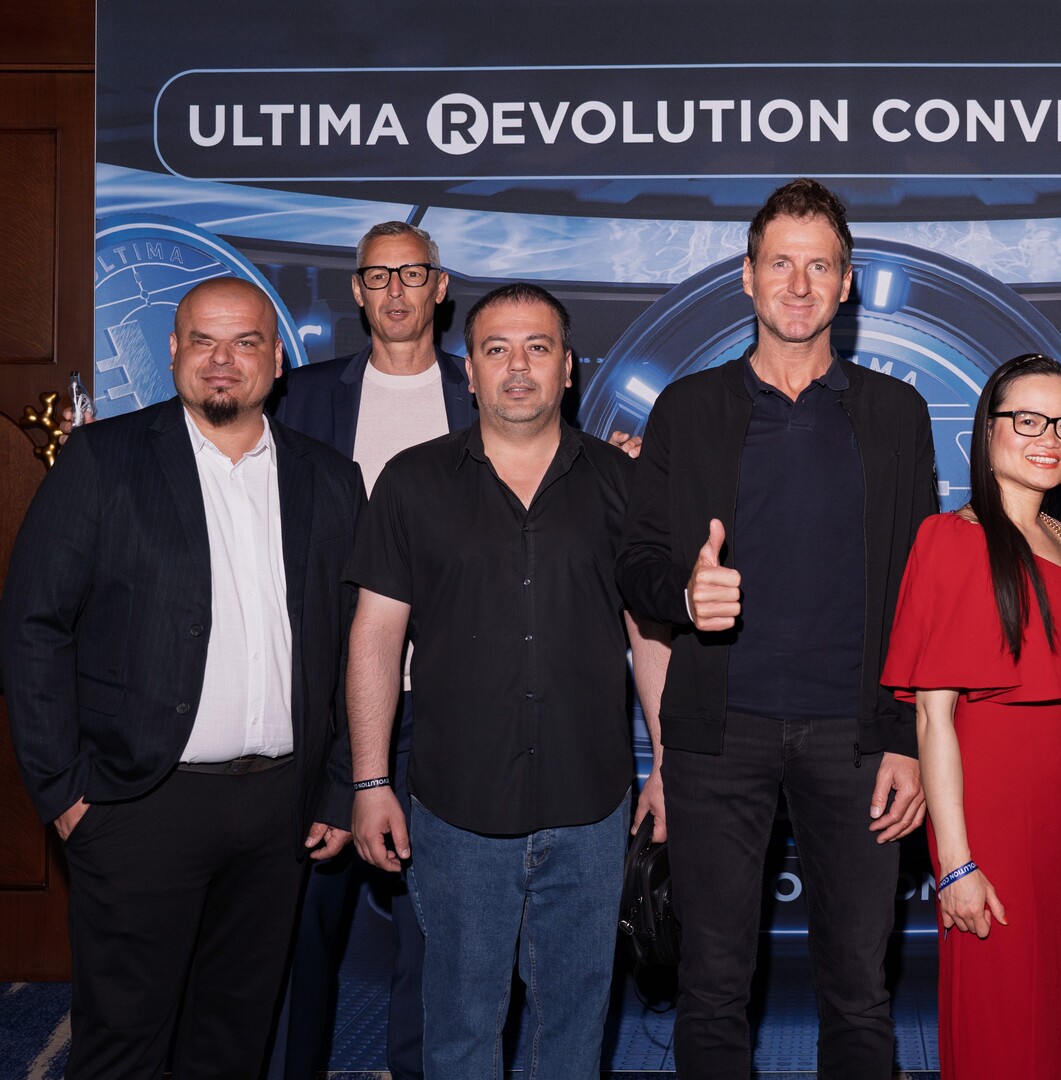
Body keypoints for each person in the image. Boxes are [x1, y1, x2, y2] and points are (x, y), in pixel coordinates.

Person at [0, 277, 365, 1079]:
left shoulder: (330, 479)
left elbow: (351, 649)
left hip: (279, 812)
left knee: (233, 1041)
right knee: (123, 1045)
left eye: (244, 342)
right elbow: (32, 627)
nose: (222, 359)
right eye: (203, 340)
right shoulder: (103, 460)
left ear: (278, 359)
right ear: (173, 351)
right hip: (137, 805)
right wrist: (65, 793)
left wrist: (340, 785)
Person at [616, 177, 936, 1080]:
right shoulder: (687, 409)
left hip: (857, 738)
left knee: (860, 991)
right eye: (781, 264)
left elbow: (921, 591)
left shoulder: (895, 414)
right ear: (747, 276)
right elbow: (635, 565)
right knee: (712, 988)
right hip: (719, 736)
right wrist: (686, 596)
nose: (799, 285)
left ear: (847, 283)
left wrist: (905, 737)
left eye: (819, 266)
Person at [344, 282, 668, 1079]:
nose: (517, 367)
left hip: (592, 808)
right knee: (460, 1031)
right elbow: (375, 635)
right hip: (455, 811)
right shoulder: (412, 482)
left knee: (575, 1033)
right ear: (471, 371)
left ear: (569, 368)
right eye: (497, 350)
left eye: (537, 349)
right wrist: (370, 780)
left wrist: (669, 763)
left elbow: (650, 633)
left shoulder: (624, 483)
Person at [271, 218, 473, 1080]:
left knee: (440, 932)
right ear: (356, 291)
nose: (395, 290)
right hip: (328, 701)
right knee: (299, 927)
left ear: (440, 287)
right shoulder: (303, 397)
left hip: (450, 704)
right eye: (378, 276)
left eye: (412, 273)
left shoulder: (485, 386)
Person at [881, 353, 1061, 1079]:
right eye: (1028, 420)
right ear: (987, 430)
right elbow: (933, 720)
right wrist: (957, 863)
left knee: (1060, 1014)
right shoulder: (950, 537)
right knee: (1003, 1022)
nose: (1049, 438)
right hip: (994, 812)